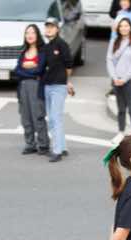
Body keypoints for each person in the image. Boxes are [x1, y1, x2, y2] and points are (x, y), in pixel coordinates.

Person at [41, 18, 75, 163]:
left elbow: (69, 65)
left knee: (55, 118)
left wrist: (67, 82)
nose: (49, 29)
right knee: (53, 118)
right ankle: (62, 146)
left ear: (57, 29)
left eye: (52, 27)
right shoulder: (46, 47)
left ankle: (57, 151)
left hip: (59, 86)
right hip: (47, 86)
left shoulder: (62, 44)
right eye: (47, 27)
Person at [15, 24, 49, 156]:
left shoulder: (42, 51)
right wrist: (30, 69)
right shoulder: (23, 52)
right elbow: (17, 70)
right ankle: (30, 144)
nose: (29, 35)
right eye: (27, 33)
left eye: (32, 32)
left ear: (37, 35)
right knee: (25, 118)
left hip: (37, 86)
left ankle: (43, 145)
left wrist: (26, 68)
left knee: (38, 116)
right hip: (22, 87)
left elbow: (39, 70)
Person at [108, 18, 131, 137]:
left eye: (126, 26)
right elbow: (109, 60)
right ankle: (121, 132)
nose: (123, 28)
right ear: (118, 28)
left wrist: (124, 78)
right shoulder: (114, 42)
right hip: (117, 80)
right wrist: (114, 77)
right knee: (121, 108)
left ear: (130, 28)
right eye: (121, 26)